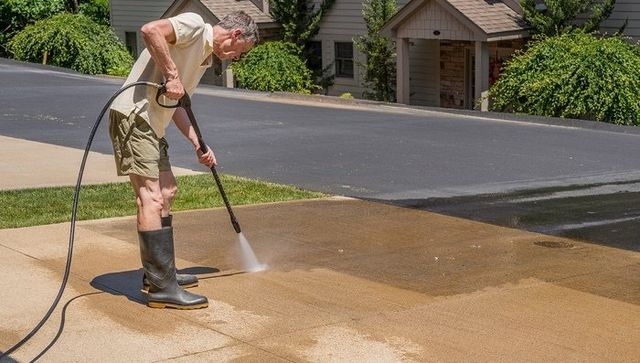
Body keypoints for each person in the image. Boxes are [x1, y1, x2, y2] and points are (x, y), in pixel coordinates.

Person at [108, 11, 258, 309]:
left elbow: (176, 102)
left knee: (167, 192)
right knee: (150, 198)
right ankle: (162, 287)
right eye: (239, 52)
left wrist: (197, 143)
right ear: (236, 35)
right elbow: (150, 30)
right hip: (135, 117)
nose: (234, 58)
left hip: (153, 123)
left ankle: (161, 273)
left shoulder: (203, 57)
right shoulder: (194, 25)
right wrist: (172, 75)